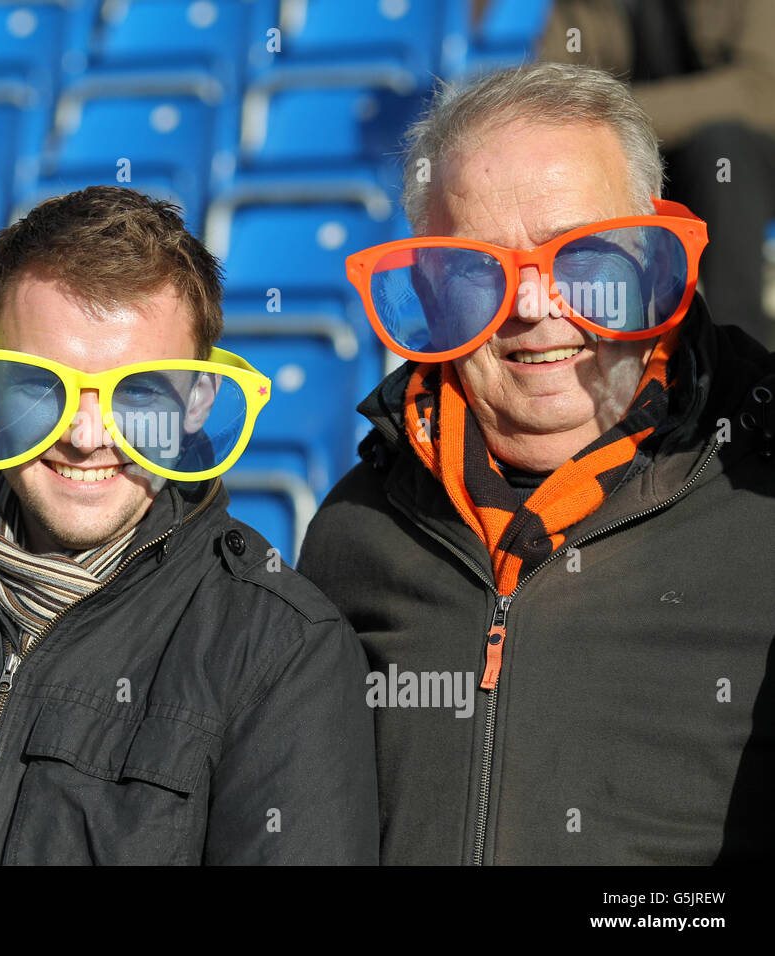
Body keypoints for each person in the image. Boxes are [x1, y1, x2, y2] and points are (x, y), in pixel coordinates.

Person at [0, 186, 379, 866]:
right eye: (42, 384)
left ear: (197, 403)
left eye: (139, 392)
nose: (88, 435)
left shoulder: (282, 651)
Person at [298, 62, 775, 864]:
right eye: (477, 271)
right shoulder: (354, 531)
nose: (532, 307)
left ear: (653, 254)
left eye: (582, 258)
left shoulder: (761, 498)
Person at [538, 0, 775, 349]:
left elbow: (760, 91)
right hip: (648, 157)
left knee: (722, 148)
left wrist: (618, 112)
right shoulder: (576, 7)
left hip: (744, 163)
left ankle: (740, 347)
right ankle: (595, 338)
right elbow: (557, 100)